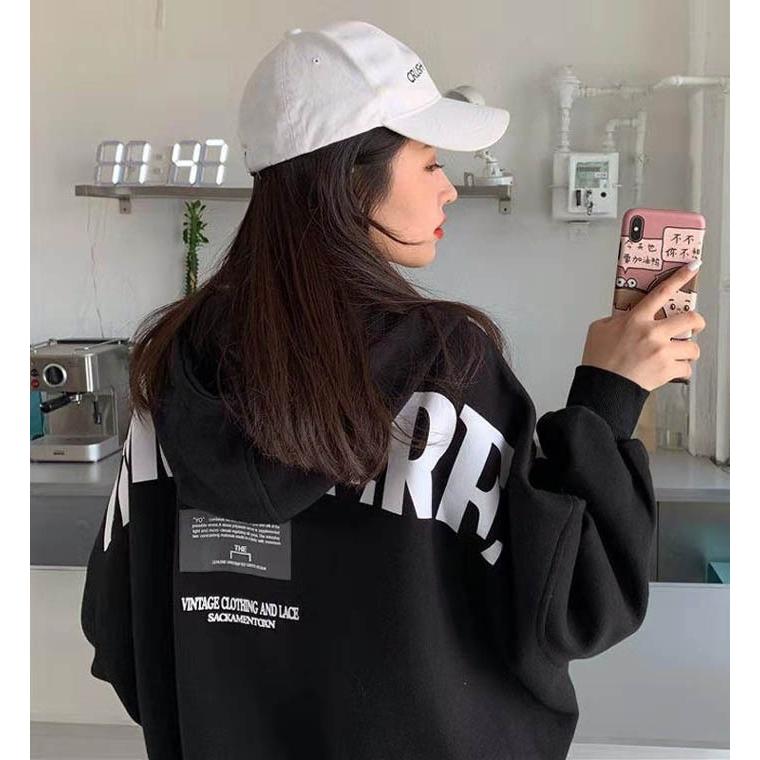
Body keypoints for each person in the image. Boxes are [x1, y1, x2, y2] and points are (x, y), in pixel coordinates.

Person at [80, 20, 706, 760]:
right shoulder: (442, 365)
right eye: (431, 163)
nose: (449, 189)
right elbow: (577, 601)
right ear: (352, 181)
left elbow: (121, 633)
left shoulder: (172, 368)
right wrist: (611, 392)